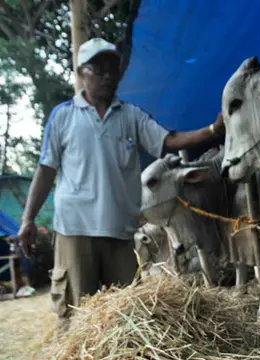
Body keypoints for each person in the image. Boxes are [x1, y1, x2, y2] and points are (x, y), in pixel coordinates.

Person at [16, 38, 225, 331]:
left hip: (120, 232)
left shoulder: (131, 116)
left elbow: (170, 141)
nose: (107, 75)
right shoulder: (63, 116)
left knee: (126, 320)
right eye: (97, 68)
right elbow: (46, 169)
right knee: (77, 318)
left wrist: (214, 129)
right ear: (81, 72)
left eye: (113, 68)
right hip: (75, 231)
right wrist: (28, 219)